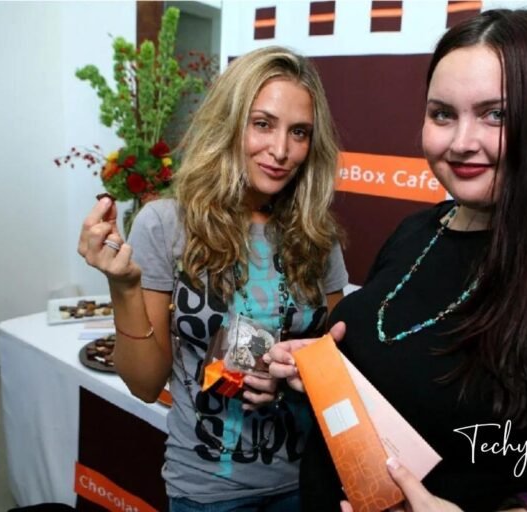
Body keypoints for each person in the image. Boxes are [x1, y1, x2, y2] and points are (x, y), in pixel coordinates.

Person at [268, 9, 527, 512]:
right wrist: (323, 374)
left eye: (497, 115)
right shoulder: (415, 233)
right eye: (443, 113)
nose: (462, 142)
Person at [78, 46, 349, 511]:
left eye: (299, 132)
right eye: (262, 123)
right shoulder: (167, 223)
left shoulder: (315, 232)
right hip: (208, 490)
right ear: (230, 122)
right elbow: (145, 385)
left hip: (309, 479)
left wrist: (290, 377)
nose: (281, 150)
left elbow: (338, 366)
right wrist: (123, 287)